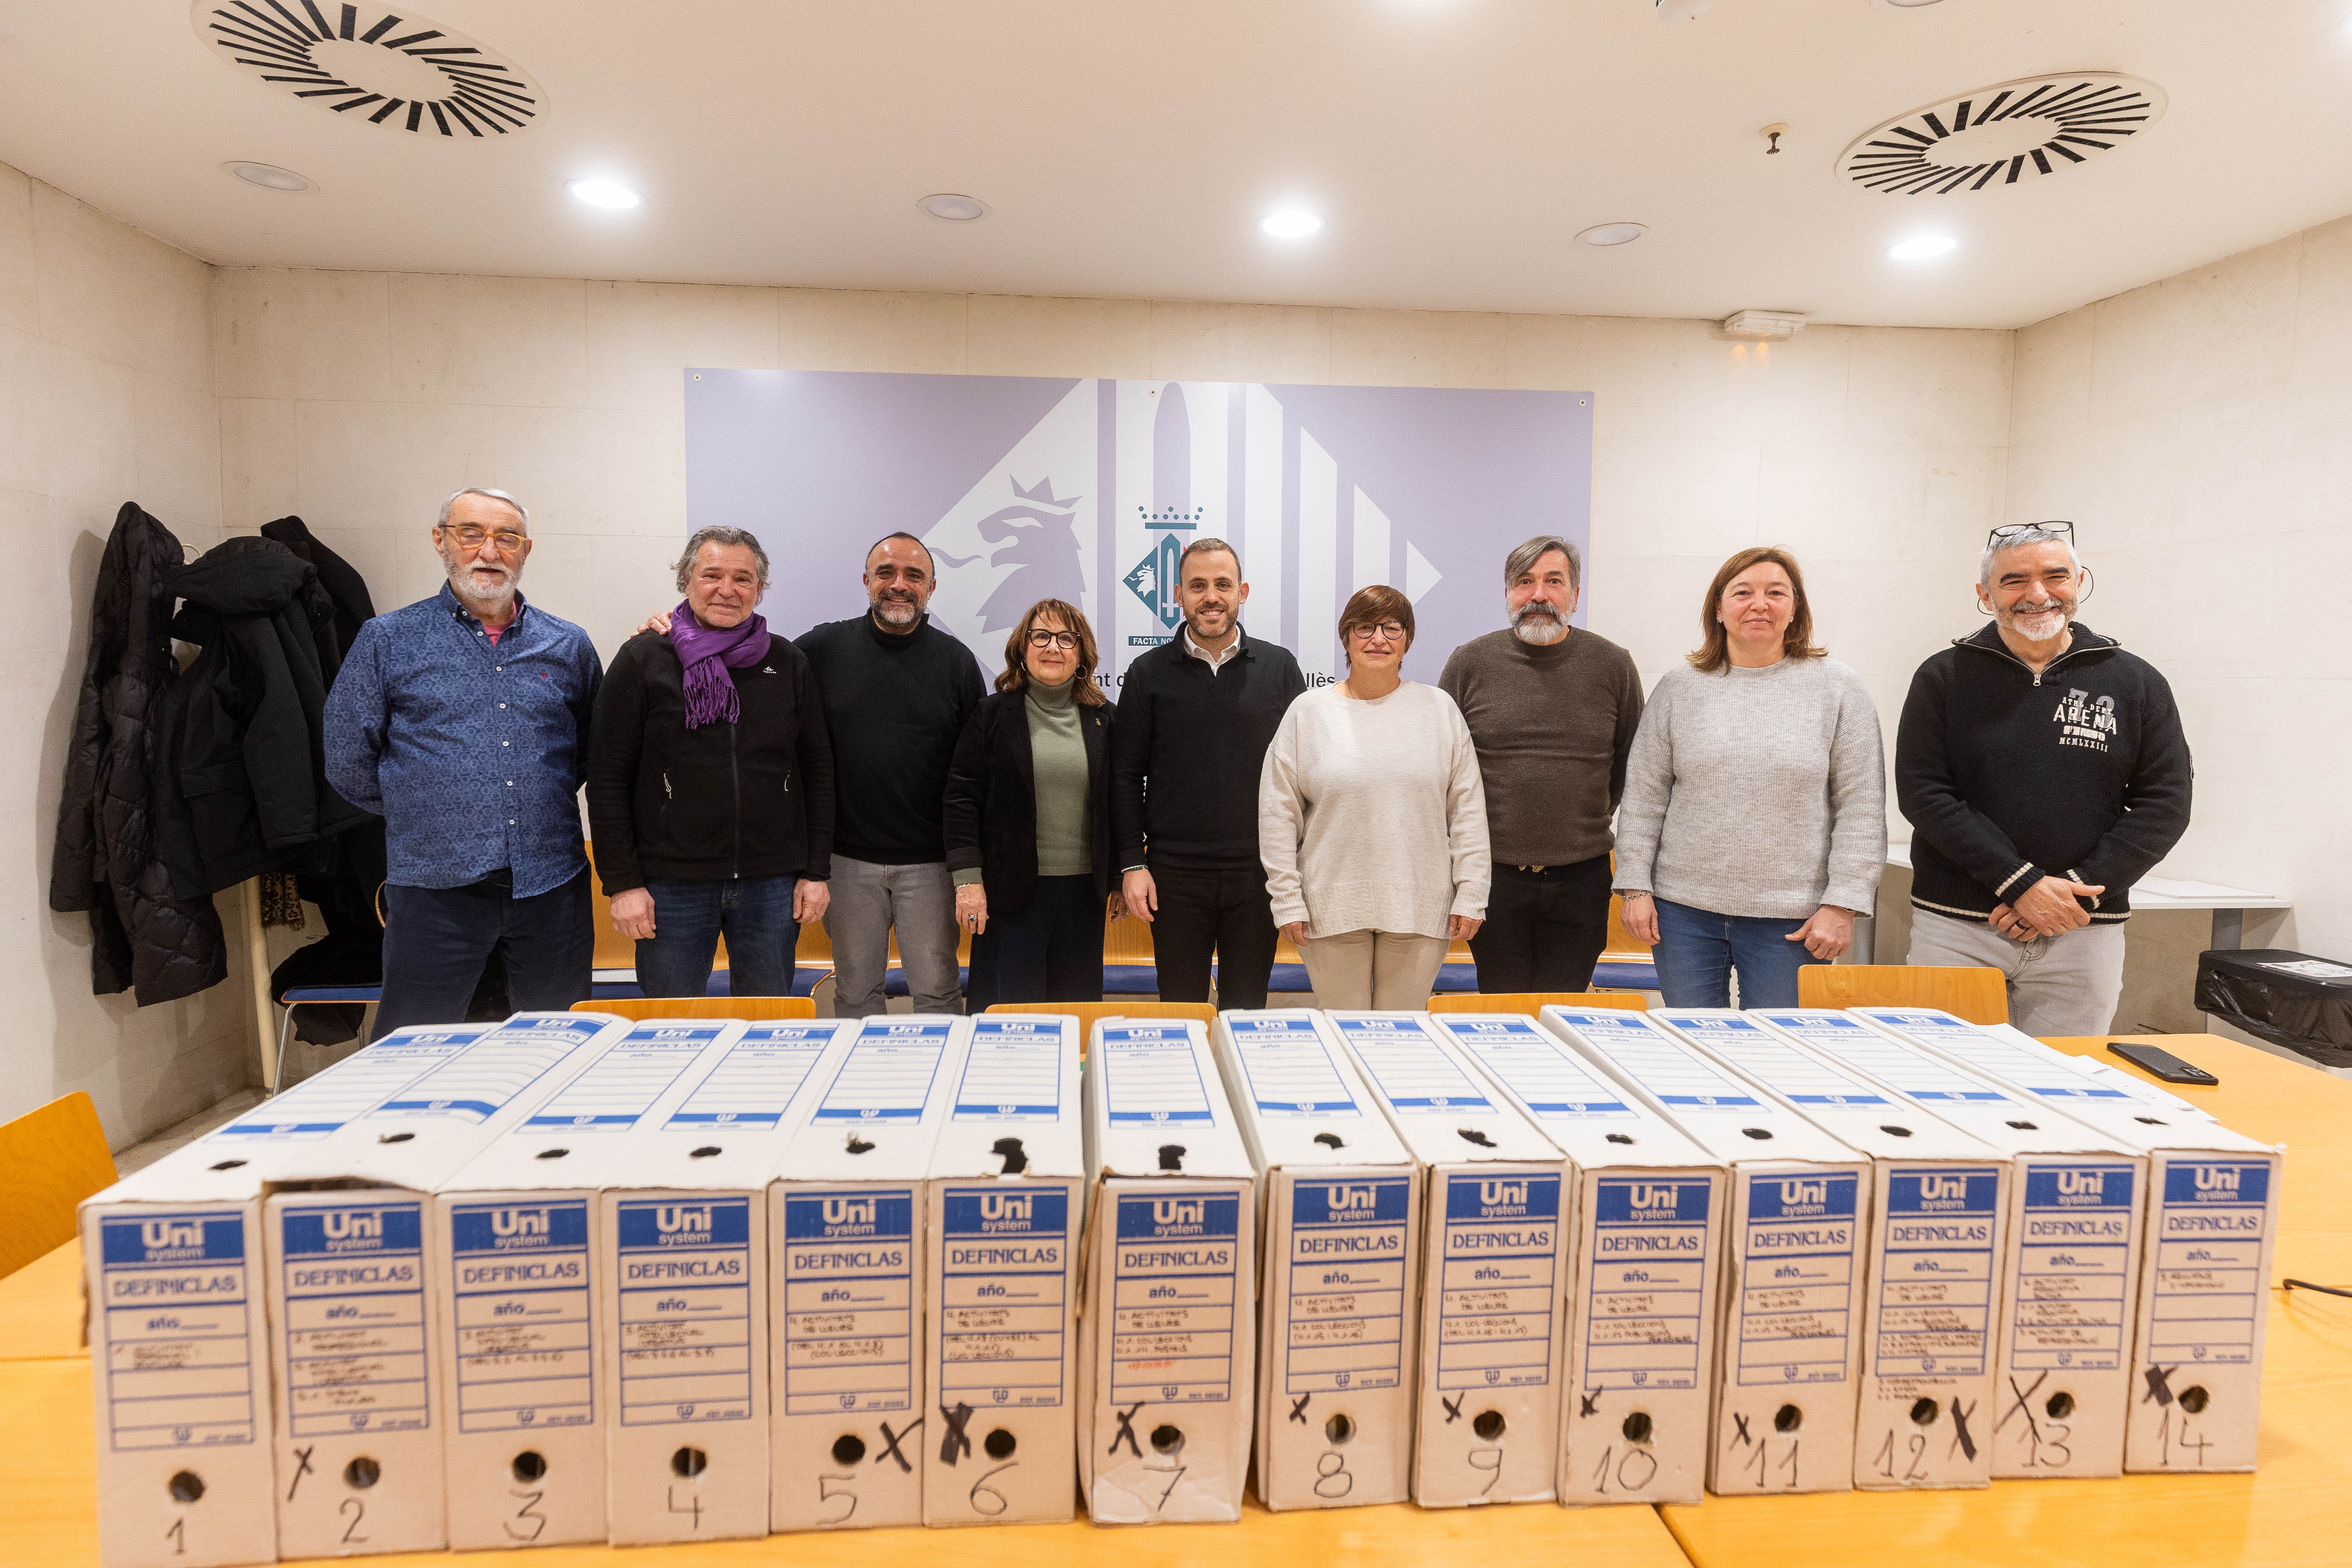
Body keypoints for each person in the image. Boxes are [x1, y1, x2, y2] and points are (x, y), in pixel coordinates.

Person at [324, 487, 603, 1037]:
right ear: (441, 541)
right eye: (471, 533)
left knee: (557, 1042)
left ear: (526, 550)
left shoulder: (568, 646)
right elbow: (346, 759)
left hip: (550, 886)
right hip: (434, 890)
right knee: (414, 1045)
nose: (489, 550)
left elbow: (586, 752)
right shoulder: (387, 641)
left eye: (506, 537)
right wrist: (425, 805)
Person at [1896, 522, 2191, 1035]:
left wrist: (2072, 895)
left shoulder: (2135, 681)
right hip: (1959, 928)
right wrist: (2021, 885)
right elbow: (1924, 794)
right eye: (2014, 581)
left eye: (2055, 576)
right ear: (1984, 595)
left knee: (2066, 1088)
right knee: (1945, 1082)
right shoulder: (1942, 677)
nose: (2038, 594)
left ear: (2079, 580)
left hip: (2082, 930)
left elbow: (2164, 805)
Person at [1614, 546, 1884, 1009]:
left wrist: (1842, 903)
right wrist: (1635, 887)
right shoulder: (1679, 688)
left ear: (1794, 608)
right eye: (1743, 593)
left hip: (1792, 921)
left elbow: (1861, 807)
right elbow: (1643, 797)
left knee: (1780, 1056)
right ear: (1718, 609)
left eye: (1775, 592)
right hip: (1683, 916)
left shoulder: (1839, 688)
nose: (1759, 604)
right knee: (1695, 1050)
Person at [586, 526, 835, 999]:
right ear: (686, 580)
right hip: (670, 888)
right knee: (671, 1030)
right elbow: (607, 779)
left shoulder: (787, 662)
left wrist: (815, 872)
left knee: (765, 1025)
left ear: (760, 590)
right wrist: (623, 884)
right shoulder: (644, 659)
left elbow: (817, 772)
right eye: (712, 575)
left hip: (771, 884)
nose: (727, 589)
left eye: (743, 579)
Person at [1260, 585, 1489, 1010]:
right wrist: (1286, 900)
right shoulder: (1308, 713)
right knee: (1346, 1039)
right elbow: (1277, 814)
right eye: (1364, 627)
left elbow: (1467, 812)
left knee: (1399, 1042)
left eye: (1392, 628)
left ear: (1407, 640)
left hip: (1420, 907)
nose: (1378, 639)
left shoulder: (1439, 710)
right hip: (1329, 907)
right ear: (1346, 638)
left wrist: (1472, 892)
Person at [1439, 535, 1643, 995]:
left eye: (1554, 582)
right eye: (1524, 582)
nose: (1538, 595)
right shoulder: (1469, 663)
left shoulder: (1613, 665)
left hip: (1582, 877)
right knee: (1503, 1005)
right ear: (1508, 593)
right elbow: (1445, 770)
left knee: (1566, 1008)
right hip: (1494, 878)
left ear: (1574, 595)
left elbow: (1629, 768)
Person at [1111, 538, 1307, 1010]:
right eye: (1197, 586)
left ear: (1241, 591)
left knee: (1246, 1010)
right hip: (1174, 877)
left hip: (1257, 874)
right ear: (1178, 595)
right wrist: (1131, 866)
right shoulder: (1146, 673)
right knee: (1180, 1010)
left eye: (1222, 584)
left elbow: (1307, 774)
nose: (1211, 597)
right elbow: (1123, 775)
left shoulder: (1279, 668)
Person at [945, 600, 1119, 1012]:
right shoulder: (991, 715)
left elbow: (1121, 803)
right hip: (1010, 895)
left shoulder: (1105, 719)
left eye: (1065, 638)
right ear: (1022, 649)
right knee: (1008, 1018)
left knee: (1074, 1016)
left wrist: (1119, 878)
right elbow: (960, 799)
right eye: (1040, 636)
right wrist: (967, 881)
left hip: (1083, 897)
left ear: (1081, 653)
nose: (1052, 647)